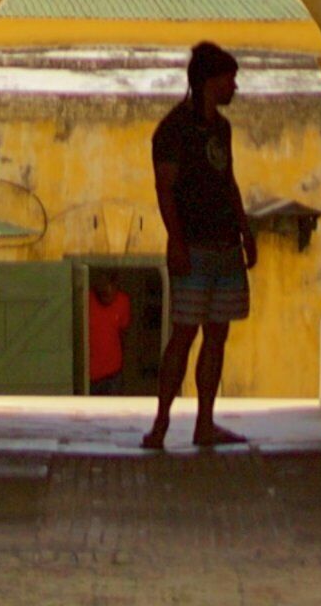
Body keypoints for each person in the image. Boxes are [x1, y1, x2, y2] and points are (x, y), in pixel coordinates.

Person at [142, 40, 256, 450]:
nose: (235, 88)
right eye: (230, 79)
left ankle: (204, 422)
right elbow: (165, 189)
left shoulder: (221, 129)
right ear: (210, 81)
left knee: (216, 336)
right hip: (194, 246)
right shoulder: (172, 131)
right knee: (184, 335)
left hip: (225, 245)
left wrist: (244, 231)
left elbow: (229, 181)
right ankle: (160, 424)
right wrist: (176, 240)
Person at [85, 272, 135, 395]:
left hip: (113, 374)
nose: (106, 297)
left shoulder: (123, 301)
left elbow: (124, 334)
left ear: (115, 287)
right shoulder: (86, 300)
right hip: (88, 375)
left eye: (108, 294)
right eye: (102, 293)